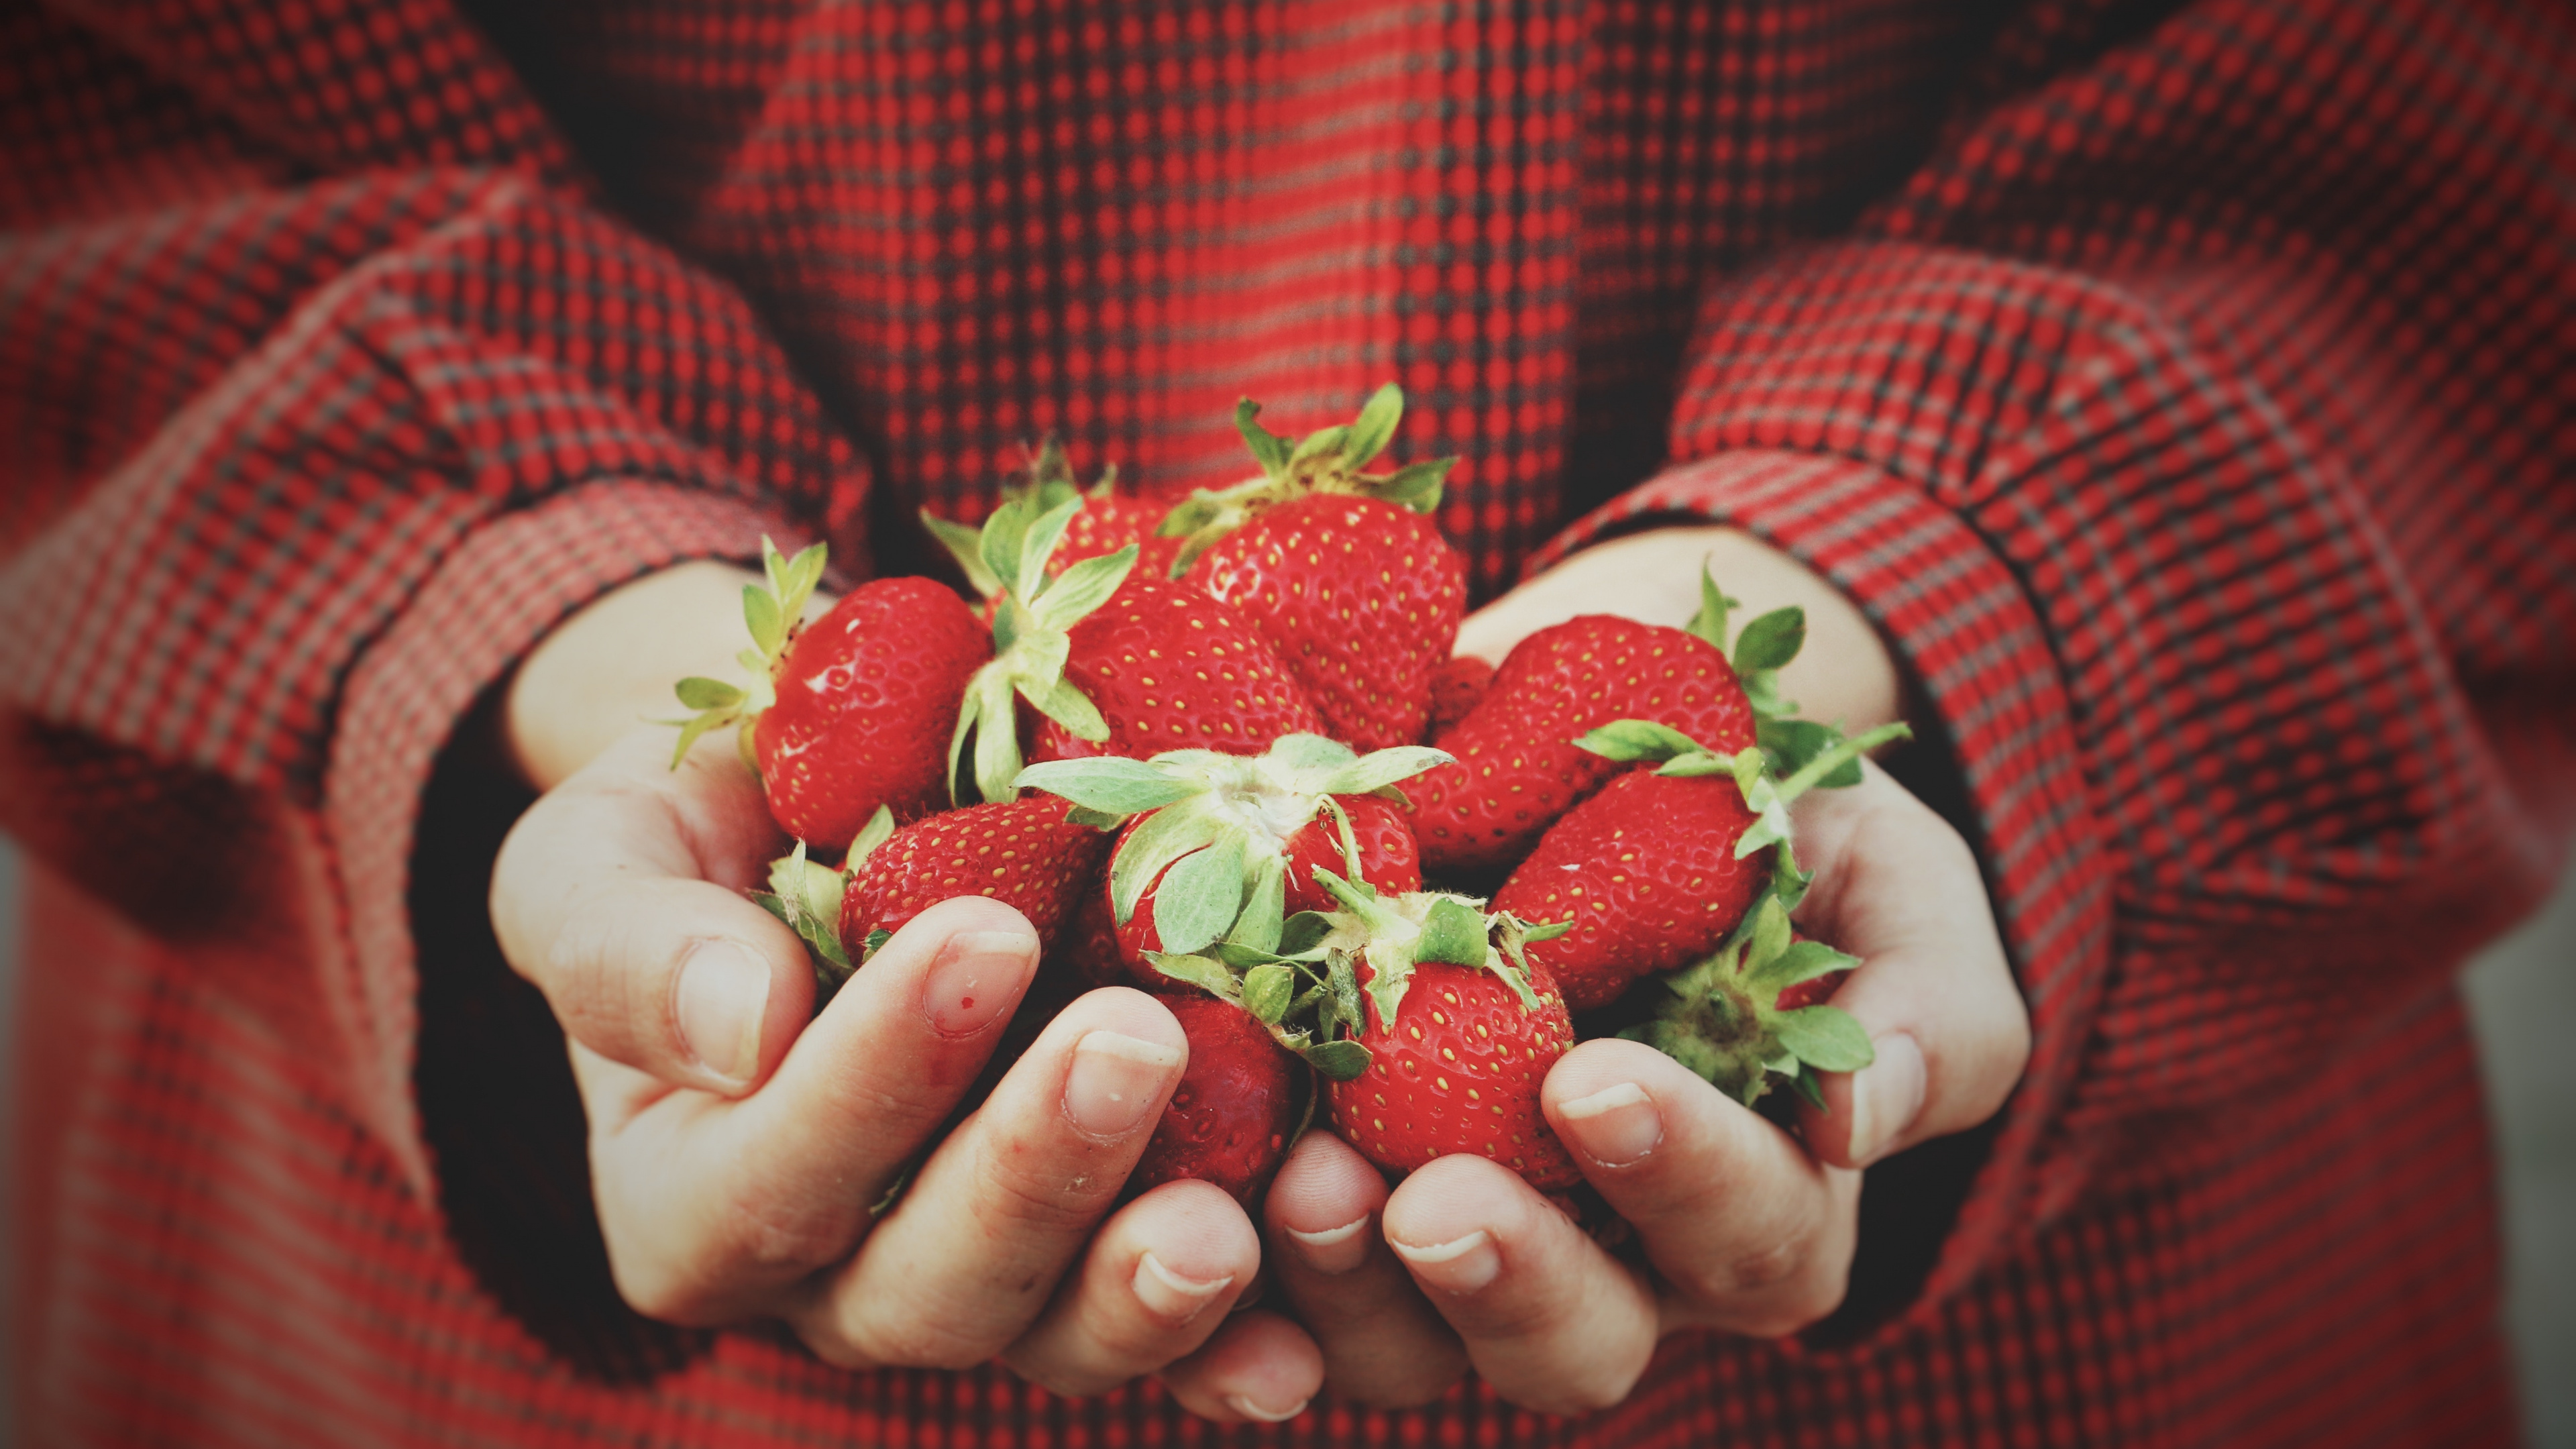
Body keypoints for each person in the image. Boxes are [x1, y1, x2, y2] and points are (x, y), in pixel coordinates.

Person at [1, 0, 2567, 1444]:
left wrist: (1922, 575)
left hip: (2058, 1270)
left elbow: (2463, 114)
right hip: (429, 1277)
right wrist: (537, 614)